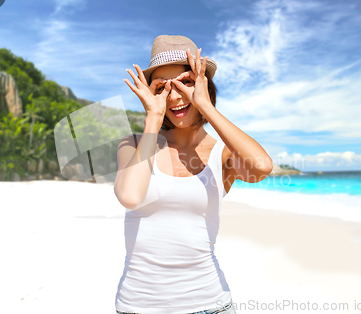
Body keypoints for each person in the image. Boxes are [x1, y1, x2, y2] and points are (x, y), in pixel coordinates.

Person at [114, 35, 273, 314]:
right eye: (161, 87)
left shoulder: (221, 153)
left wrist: (206, 107)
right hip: (138, 306)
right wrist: (153, 117)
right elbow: (130, 196)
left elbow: (261, 167)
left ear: (203, 86)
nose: (175, 96)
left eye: (186, 82)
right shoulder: (134, 144)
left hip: (209, 304)